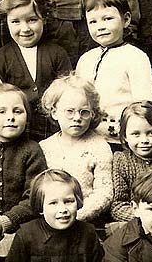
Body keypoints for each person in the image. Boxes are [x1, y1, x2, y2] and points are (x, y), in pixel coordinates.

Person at [0, 0, 72, 141]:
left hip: (54, 135)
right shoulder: (1, 58)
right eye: (16, 22)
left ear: (44, 18)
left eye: (32, 20)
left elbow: (68, 95)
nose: (25, 28)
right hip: (16, 137)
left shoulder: (57, 54)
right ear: (6, 21)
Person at [0, 83, 47, 254]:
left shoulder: (32, 150)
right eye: (1, 111)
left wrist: (4, 222)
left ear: (27, 117)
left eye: (17, 111)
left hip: (21, 231)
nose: (11, 117)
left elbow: (34, 197)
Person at [74, 0, 152, 145]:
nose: (100, 26)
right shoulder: (86, 59)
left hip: (121, 140)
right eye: (93, 22)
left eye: (107, 18)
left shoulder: (136, 57)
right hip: (87, 137)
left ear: (126, 20)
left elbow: (143, 105)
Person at [37, 74, 113, 224]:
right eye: (69, 111)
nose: (77, 117)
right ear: (54, 112)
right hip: (49, 221)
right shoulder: (44, 147)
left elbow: (104, 193)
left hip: (86, 222)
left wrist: (76, 216)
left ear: (92, 114)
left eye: (84, 112)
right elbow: (37, 191)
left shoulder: (99, 147)